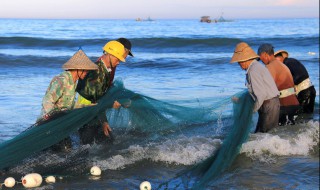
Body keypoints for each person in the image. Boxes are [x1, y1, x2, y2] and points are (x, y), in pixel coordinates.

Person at [38, 49, 98, 150]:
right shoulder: (62, 80)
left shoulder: (74, 82)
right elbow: (47, 101)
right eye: (86, 70)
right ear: (78, 69)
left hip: (61, 123)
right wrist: (51, 119)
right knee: (64, 149)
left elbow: (70, 105)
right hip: (49, 125)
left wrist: (88, 106)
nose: (87, 73)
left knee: (67, 149)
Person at [76, 39, 133, 145]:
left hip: (94, 112)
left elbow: (100, 95)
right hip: (86, 113)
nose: (119, 62)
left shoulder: (106, 69)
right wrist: (110, 108)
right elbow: (95, 100)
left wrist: (104, 121)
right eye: (118, 59)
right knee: (85, 147)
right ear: (110, 55)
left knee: (105, 142)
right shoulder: (96, 73)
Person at [230, 42, 280, 133]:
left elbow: (261, 94)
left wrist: (251, 111)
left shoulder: (253, 70)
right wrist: (241, 101)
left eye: (239, 62)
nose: (239, 65)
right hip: (270, 104)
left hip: (269, 105)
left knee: (264, 135)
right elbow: (256, 92)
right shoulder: (256, 67)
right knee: (263, 134)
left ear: (243, 60)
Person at [258, 44, 300, 125]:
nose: (261, 61)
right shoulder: (282, 65)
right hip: (294, 104)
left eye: (260, 58)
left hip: (285, 106)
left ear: (265, 55)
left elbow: (265, 88)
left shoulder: (270, 67)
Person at [274, 50, 316, 114]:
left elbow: (300, 76)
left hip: (305, 92)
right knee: (308, 115)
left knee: (300, 116)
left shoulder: (288, 63)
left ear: (279, 58)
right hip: (310, 90)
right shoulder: (291, 61)